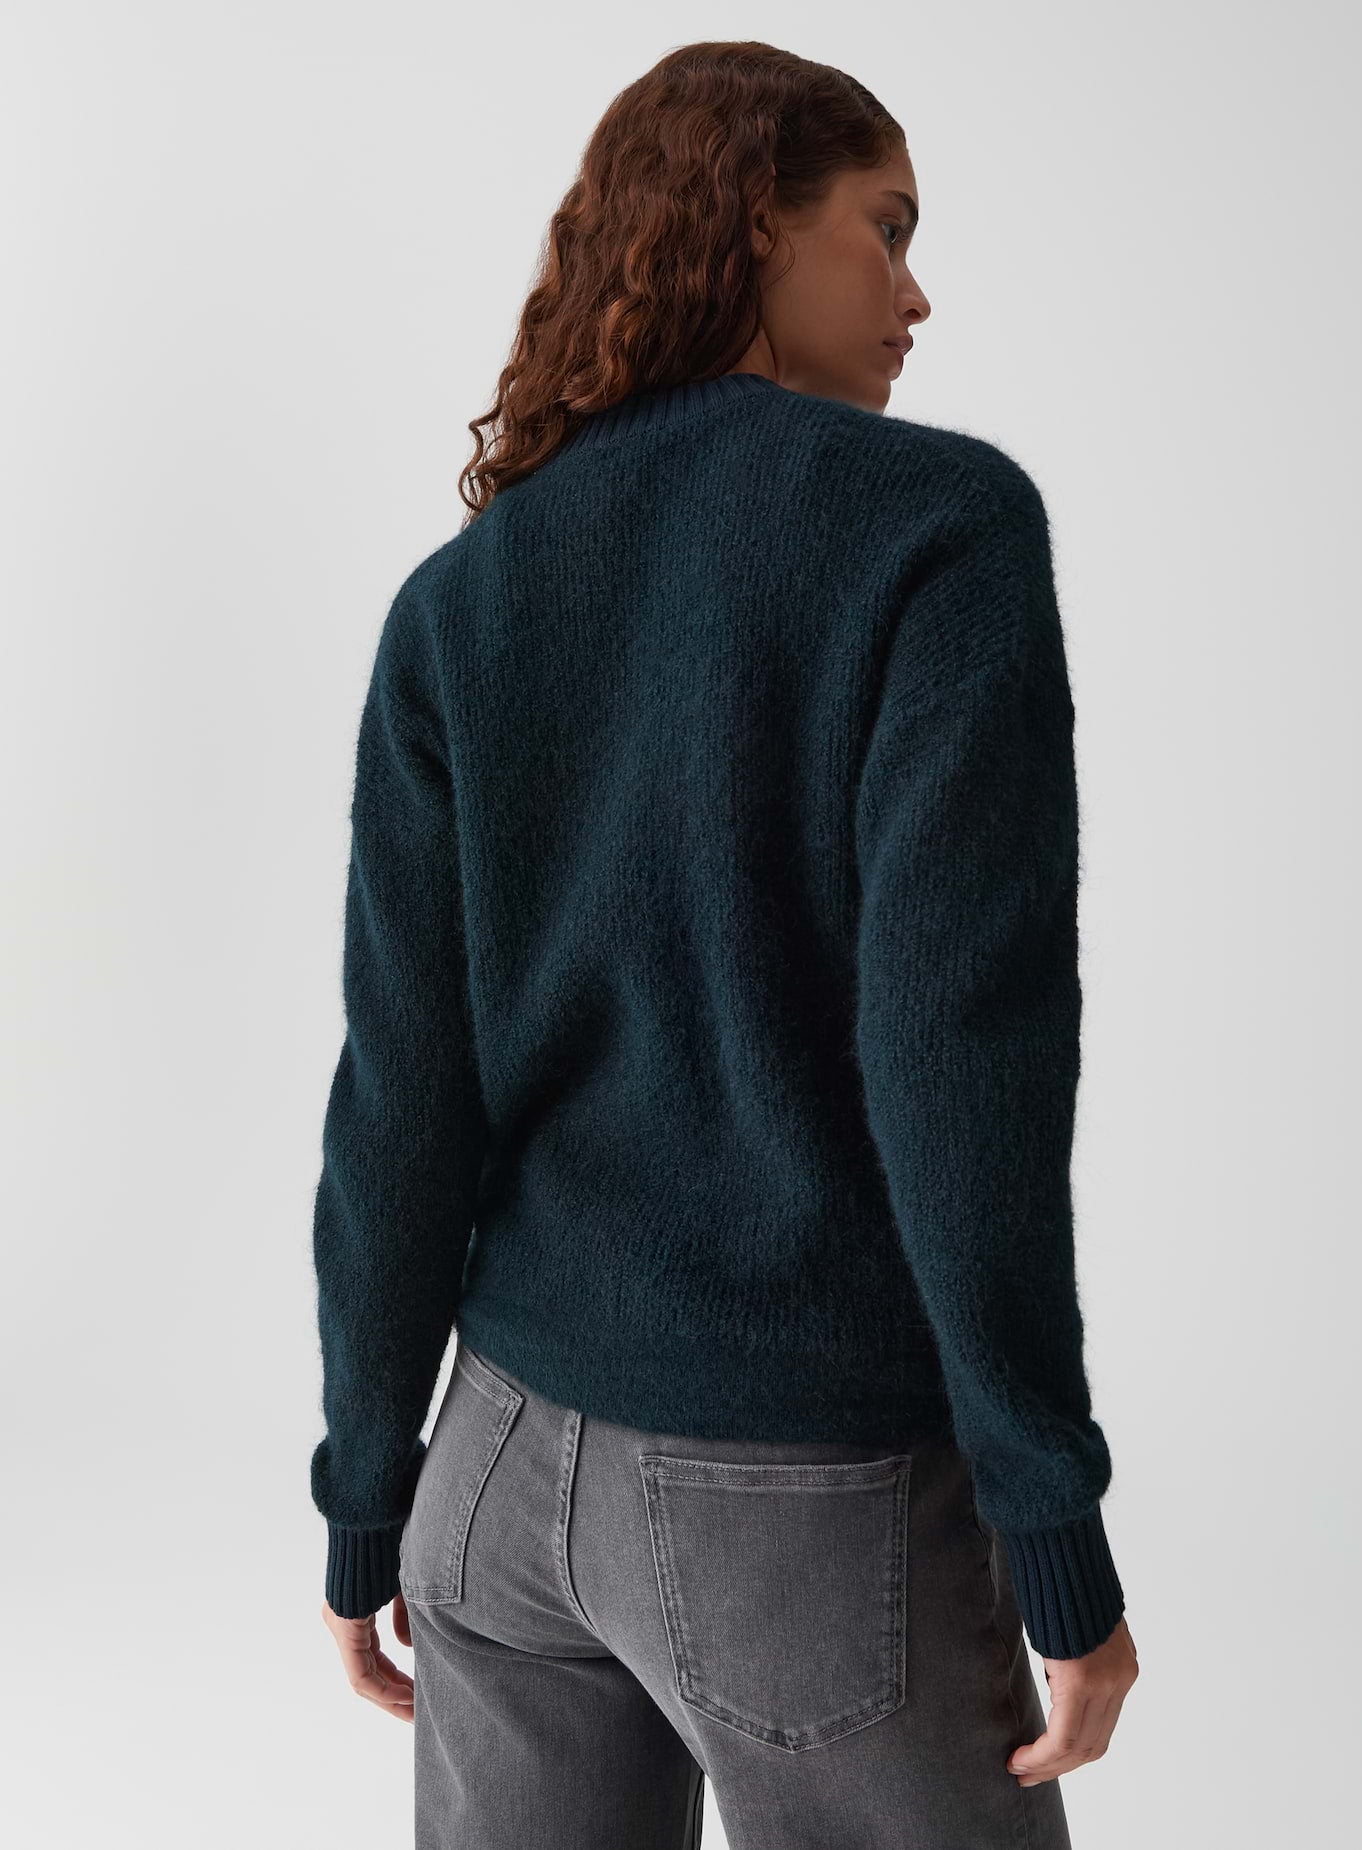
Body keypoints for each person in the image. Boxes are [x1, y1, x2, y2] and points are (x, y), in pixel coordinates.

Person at [309, 37, 1139, 1850]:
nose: (916, 291)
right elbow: (960, 1054)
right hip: (799, 1494)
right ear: (758, 216)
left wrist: (368, 1485)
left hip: (492, 1480)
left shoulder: (464, 600)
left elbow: (399, 1097)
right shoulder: (936, 530)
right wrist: (1049, 1517)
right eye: (884, 227)